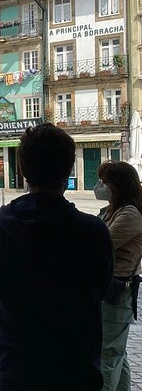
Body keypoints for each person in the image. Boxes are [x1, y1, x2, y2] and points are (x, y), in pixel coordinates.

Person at [0, 123, 113, 391]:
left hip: (15, 370)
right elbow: (100, 288)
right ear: (68, 171)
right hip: (74, 370)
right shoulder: (91, 230)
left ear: (21, 170)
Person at [95, 161, 142, 390]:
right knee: (117, 353)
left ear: (118, 186)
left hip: (117, 291)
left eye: (104, 182)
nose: (100, 186)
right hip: (109, 288)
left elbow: (100, 243)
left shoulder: (130, 214)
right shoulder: (113, 209)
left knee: (108, 354)